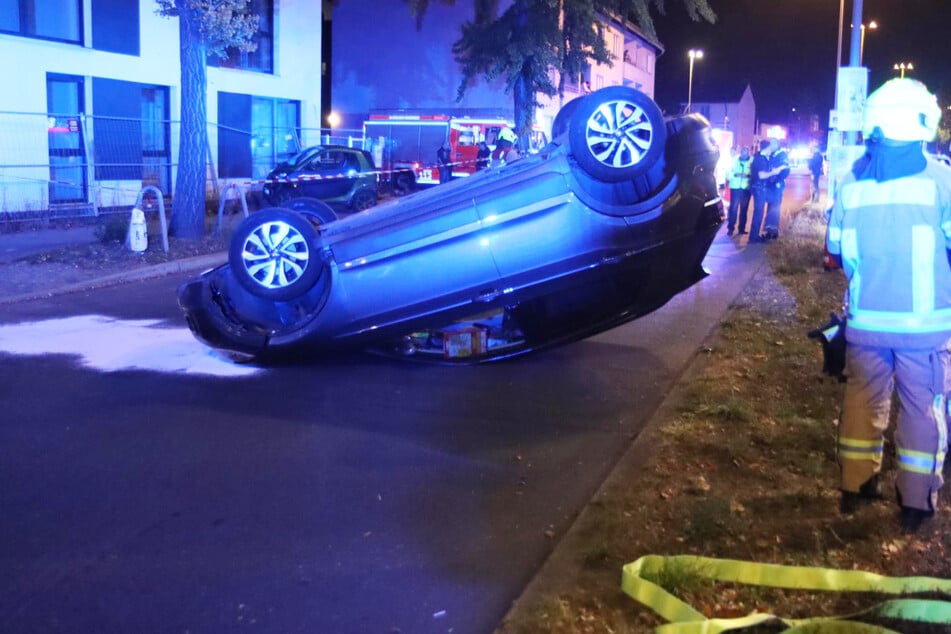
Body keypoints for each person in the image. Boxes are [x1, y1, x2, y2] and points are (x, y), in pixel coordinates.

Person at [825, 78, 951, 534]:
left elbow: (834, 248)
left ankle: (856, 489)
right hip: (927, 328)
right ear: (924, 121)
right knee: (922, 409)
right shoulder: (941, 179)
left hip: (866, 324)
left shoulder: (851, 182)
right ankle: (916, 504)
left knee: (860, 401)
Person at [761, 139, 790, 240]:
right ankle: (769, 230)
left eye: (773, 144)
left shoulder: (782, 155)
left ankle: (772, 232)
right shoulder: (772, 154)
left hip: (776, 185)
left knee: (774, 208)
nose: (771, 145)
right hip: (771, 185)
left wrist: (776, 180)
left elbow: (785, 170)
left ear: (778, 145)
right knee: (771, 208)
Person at [747, 139, 772, 243]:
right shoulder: (760, 159)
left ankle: (754, 236)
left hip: (757, 188)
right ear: (767, 148)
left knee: (759, 212)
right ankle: (754, 237)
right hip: (759, 188)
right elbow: (761, 175)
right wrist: (774, 172)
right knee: (758, 212)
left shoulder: (759, 157)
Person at [725, 146, 752, 236]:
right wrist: (735, 175)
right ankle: (730, 228)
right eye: (742, 152)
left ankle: (741, 229)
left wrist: (748, 176)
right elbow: (728, 172)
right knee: (733, 209)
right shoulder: (734, 160)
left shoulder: (752, 161)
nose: (744, 154)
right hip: (735, 187)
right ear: (740, 152)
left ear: (748, 152)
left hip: (746, 189)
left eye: (746, 152)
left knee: (744, 210)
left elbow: (754, 174)